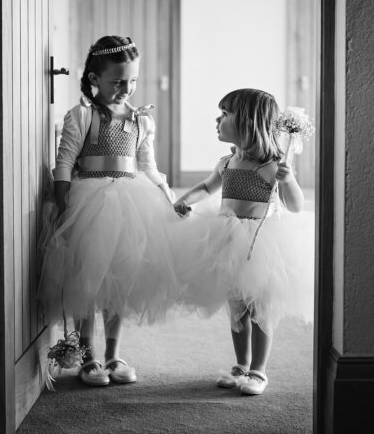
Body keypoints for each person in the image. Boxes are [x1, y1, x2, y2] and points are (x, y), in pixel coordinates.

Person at [39, 35, 178, 387]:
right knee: (91, 279)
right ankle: (88, 354)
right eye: (118, 82)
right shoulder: (82, 116)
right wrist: (62, 202)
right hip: (92, 205)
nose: (126, 89)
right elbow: (66, 160)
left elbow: (148, 166)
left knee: (122, 279)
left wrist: (166, 195)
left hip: (132, 205)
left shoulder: (141, 121)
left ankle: (114, 353)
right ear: (93, 79)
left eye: (132, 81)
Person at [172, 88, 314, 396]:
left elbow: (295, 205)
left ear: (248, 123)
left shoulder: (271, 165)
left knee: (260, 307)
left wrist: (287, 179)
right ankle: (240, 364)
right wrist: (187, 200)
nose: (217, 120)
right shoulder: (227, 163)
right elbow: (206, 186)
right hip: (226, 239)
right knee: (235, 306)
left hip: (260, 243)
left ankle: (258, 370)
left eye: (225, 115)